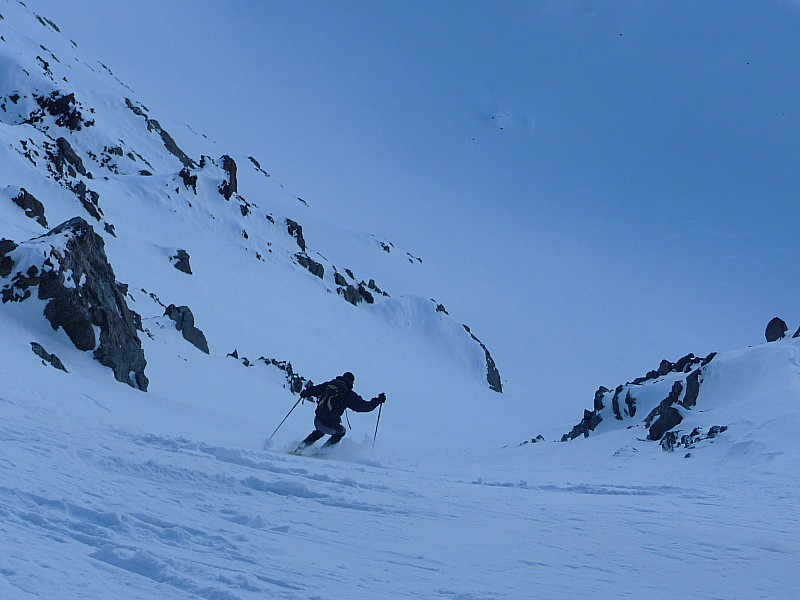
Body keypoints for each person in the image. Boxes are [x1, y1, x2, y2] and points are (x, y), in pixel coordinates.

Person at [294, 371, 386, 452]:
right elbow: (365, 406)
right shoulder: (349, 394)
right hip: (331, 424)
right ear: (351, 382)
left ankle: (299, 449)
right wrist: (378, 400)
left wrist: (305, 393)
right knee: (341, 431)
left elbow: (312, 390)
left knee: (319, 431)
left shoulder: (328, 385)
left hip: (318, 420)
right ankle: (323, 452)